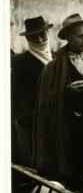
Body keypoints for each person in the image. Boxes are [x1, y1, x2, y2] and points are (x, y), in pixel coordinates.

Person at [33, 13, 83, 192]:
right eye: (80, 36)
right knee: (73, 171)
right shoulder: (53, 68)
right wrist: (67, 91)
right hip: (70, 129)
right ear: (68, 38)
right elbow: (45, 103)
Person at [11, 16, 55, 167]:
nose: (40, 38)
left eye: (42, 34)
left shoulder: (56, 57)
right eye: (34, 36)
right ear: (28, 38)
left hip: (53, 120)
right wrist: (17, 119)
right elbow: (13, 92)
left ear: (48, 33)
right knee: (32, 163)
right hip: (29, 122)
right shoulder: (19, 61)